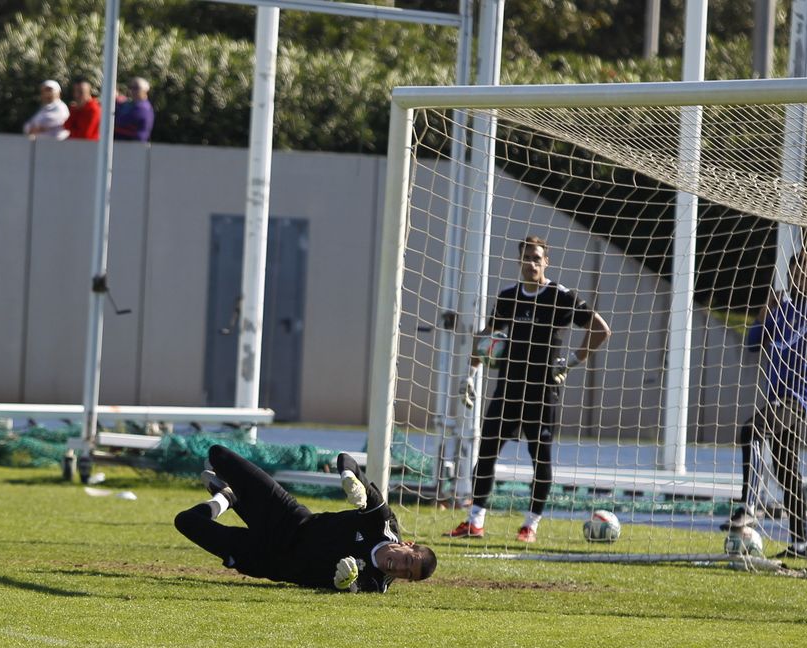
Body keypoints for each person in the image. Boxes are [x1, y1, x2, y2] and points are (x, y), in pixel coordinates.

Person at [446, 235, 611, 543]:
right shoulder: (509, 296)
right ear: (519, 261)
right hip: (508, 388)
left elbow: (601, 329)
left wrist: (572, 361)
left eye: (537, 258)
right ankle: (475, 521)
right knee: (486, 452)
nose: (531, 263)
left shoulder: (561, 296)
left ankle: (530, 525)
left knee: (540, 458)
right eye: (526, 258)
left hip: (542, 392)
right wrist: (470, 374)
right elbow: (487, 334)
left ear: (546, 261)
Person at [175, 445, 437, 593]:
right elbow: (346, 459)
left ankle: (225, 499)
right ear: (407, 544)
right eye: (407, 560)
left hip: (268, 559)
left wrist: (343, 586)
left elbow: (353, 590)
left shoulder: (376, 584)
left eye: (407, 574)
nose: (399, 568)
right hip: (288, 519)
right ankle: (232, 497)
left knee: (186, 521)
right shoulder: (382, 522)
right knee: (218, 455)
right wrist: (350, 479)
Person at [735, 250, 807, 560]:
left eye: (805, 276)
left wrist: (775, 326)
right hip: (776, 396)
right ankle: (801, 545)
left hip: (798, 397)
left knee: (752, 430)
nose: (798, 280)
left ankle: (749, 505)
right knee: (787, 471)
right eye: (794, 275)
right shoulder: (782, 308)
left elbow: (793, 343)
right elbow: (752, 343)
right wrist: (764, 314)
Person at [112, 77, 155, 142]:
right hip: (124, 142)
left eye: (136, 88)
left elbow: (119, 121)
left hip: (134, 144)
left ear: (145, 91)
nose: (132, 91)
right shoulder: (132, 104)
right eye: (131, 88)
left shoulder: (143, 108)